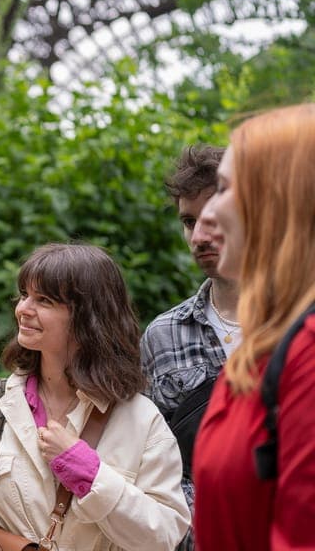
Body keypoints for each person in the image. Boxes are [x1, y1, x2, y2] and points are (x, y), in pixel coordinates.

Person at [0, 243, 189, 550]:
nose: (23, 309)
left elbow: (164, 537)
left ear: (88, 318)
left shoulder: (140, 417)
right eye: (24, 295)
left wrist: (91, 475)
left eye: (44, 300)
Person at [193, 103, 315, 550]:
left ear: (279, 201)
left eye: (223, 189)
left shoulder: (309, 351)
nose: (204, 218)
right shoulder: (266, 344)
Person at [140, 144, 239, 550]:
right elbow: (154, 470)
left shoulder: (302, 325)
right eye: (188, 221)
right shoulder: (163, 336)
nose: (198, 236)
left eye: (213, 219)